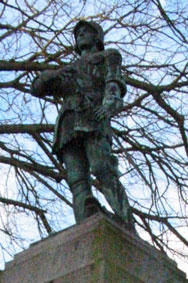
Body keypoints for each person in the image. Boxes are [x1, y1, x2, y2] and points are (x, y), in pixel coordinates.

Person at [31, 20, 134, 226]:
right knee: (77, 180)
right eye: (78, 33)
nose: (81, 34)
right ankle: (85, 223)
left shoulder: (108, 56)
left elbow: (114, 84)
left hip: (93, 117)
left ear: (98, 36)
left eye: (86, 31)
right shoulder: (68, 70)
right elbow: (37, 88)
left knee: (102, 168)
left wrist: (108, 106)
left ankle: (126, 221)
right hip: (68, 126)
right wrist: (53, 74)